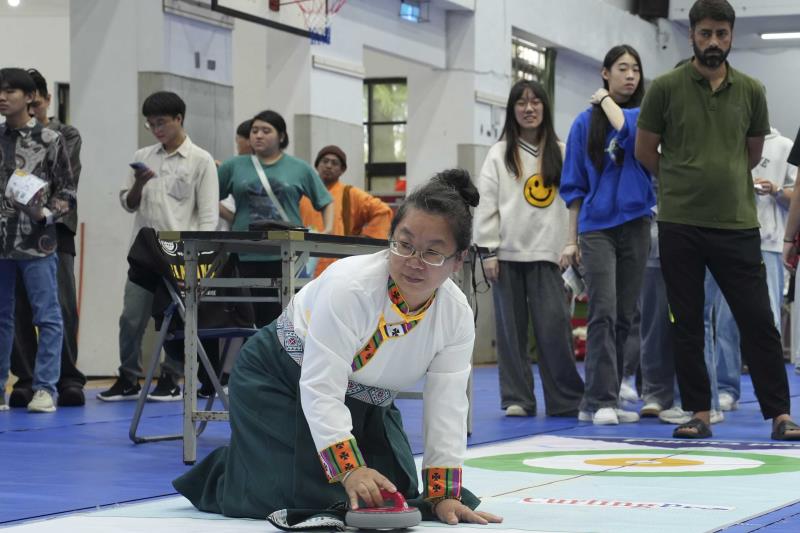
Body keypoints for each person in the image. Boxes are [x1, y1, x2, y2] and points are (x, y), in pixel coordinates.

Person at [173, 169, 503, 527]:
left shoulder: (455, 315)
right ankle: (232, 468)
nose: (413, 262)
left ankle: (271, 455)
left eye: (433, 253)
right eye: (404, 244)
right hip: (277, 380)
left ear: (458, 260)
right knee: (304, 493)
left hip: (364, 400)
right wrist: (350, 470)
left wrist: (443, 494)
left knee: (398, 489)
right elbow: (320, 385)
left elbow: (447, 405)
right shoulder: (351, 287)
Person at [635, 0, 799, 440]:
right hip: (679, 225)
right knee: (686, 322)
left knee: (758, 321)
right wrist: (681, 182)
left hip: (736, 224)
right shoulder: (666, 88)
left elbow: (751, 152)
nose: (713, 42)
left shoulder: (751, 90)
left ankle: (780, 415)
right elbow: (645, 151)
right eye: (705, 34)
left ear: (731, 37)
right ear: (691, 35)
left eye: (721, 34)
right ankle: (699, 414)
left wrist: (720, 179)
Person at [98, 91, 219, 402]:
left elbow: (208, 215)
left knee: (176, 318)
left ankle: (171, 376)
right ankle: (127, 377)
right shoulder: (143, 155)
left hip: (180, 253)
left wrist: (201, 261)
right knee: (131, 317)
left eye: (162, 122)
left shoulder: (201, 160)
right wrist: (140, 181)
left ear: (179, 119)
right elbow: (128, 204)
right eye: (150, 124)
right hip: (144, 250)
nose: (156, 129)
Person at [473, 79, 584, 418]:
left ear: (545, 108)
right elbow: (486, 204)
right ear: (512, 110)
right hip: (507, 256)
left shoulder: (562, 152)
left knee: (554, 331)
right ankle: (517, 397)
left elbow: (574, 202)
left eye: (536, 102)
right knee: (510, 334)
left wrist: (571, 242)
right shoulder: (498, 154)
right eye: (521, 102)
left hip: (551, 256)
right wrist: (488, 251)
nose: (529, 108)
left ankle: (565, 398)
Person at [560, 45, 654, 425]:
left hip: (636, 224)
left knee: (627, 316)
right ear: (605, 73)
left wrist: (604, 101)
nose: (630, 76)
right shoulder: (583, 124)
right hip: (596, 228)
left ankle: (607, 398)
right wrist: (571, 239)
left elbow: (628, 129)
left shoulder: (644, 117)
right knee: (603, 311)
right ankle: (597, 400)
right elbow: (573, 185)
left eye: (635, 69)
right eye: (621, 69)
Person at [8, 68, 86, 408]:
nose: (3, 97)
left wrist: (45, 214)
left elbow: (66, 187)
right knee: (10, 313)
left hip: (46, 236)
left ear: (37, 99)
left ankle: (56, 382)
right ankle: (15, 382)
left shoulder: (58, 136)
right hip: (6, 239)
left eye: (11, 91)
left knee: (54, 311)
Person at [217, 110, 334, 326]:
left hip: (287, 255)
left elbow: (325, 201)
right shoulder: (234, 166)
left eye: (265, 131)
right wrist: (231, 217)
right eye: (254, 131)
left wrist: (326, 230)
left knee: (286, 319)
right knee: (247, 321)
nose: (258, 136)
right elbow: (208, 196)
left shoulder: (299, 168)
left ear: (281, 136)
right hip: (244, 254)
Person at [711, 127, 796, 410]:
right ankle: (726, 387)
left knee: (767, 321)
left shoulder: (783, 145)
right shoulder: (726, 138)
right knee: (725, 320)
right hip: (729, 239)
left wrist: (776, 191)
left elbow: (797, 196)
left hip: (768, 242)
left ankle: (772, 395)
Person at [299, 145, 393, 276]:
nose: (329, 166)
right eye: (325, 161)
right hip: (304, 265)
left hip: (338, 266)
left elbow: (383, 211)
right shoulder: (303, 194)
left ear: (342, 170)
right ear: (317, 165)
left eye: (334, 163)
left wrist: (365, 239)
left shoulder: (349, 194)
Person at [217, 119, 252, 230]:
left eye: (238, 139)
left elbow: (236, 217)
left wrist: (208, 202)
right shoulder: (232, 166)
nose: (237, 143)